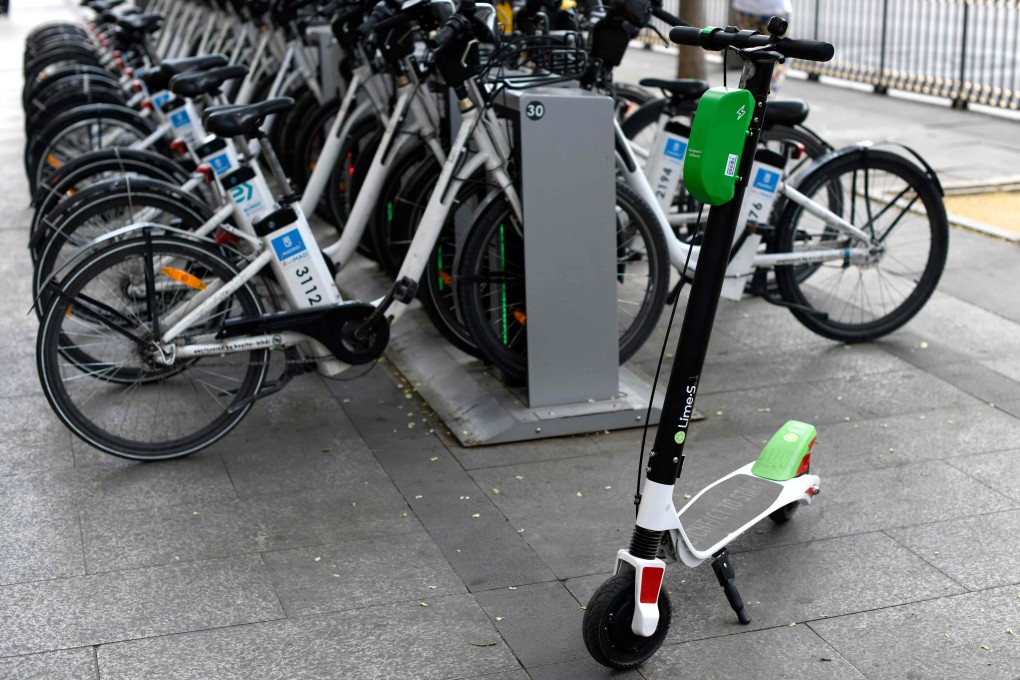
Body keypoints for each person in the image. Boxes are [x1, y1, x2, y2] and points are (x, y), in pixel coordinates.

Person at [732, 0, 792, 92]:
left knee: (751, 53)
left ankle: (747, 91)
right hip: (775, 8)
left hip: (744, 8)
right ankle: (769, 91)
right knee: (784, 53)